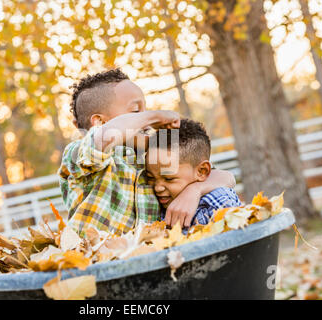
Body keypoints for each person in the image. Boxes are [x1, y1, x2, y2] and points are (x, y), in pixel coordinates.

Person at [58, 68, 236, 236]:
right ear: (99, 123)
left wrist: (196, 189)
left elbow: (225, 177)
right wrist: (155, 116)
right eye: (136, 111)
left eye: (145, 111)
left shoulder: (150, 155)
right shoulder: (78, 154)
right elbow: (103, 138)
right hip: (95, 261)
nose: (145, 119)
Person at [146, 119, 242, 232]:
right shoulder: (161, 204)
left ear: (202, 171)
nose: (157, 187)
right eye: (151, 177)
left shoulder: (216, 203)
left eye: (169, 178)